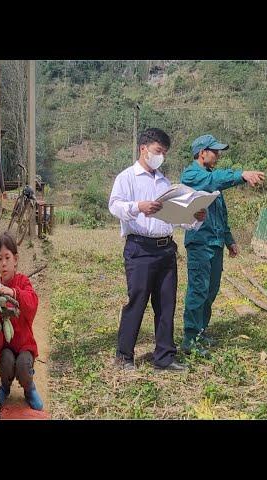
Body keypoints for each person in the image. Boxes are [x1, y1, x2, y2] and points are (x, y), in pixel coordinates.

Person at [109, 128, 206, 372]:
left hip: (166, 250)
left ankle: (164, 356)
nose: (161, 156)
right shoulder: (127, 177)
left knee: (166, 304)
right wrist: (138, 206)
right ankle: (124, 356)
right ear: (143, 148)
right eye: (158, 151)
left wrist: (195, 216)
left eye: (164, 153)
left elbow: (179, 219)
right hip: (140, 248)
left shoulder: (165, 183)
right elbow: (115, 206)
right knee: (137, 301)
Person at [180, 134, 265, 356]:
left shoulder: (211, 177)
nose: (218, 155)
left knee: (211, 290)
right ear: (202, 153)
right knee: (198, 289)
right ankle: (190, 338)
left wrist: (230, 241)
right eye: (214, 151)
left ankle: (201, 330)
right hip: (199, 242)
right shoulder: (192, 174)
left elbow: (220, 214)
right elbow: (213, 181)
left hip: (215, 242)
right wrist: (241, 175)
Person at [0, 232, 43, 410]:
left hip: (25, 345)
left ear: (15, 259)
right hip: (7, 347)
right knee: (7, 361)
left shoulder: (23, 281)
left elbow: (32, 302)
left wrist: (12, 292)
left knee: (23, 365)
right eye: (0, 258)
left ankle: (29, 388)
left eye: (7, 257)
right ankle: (5, 386)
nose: (3, 263)